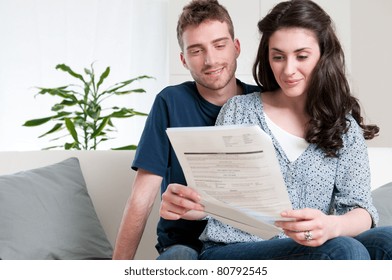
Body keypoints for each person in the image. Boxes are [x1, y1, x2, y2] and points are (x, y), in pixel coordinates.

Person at [160, 0, 392, 259]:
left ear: (323, 55)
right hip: (232, 250)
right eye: (278, 56)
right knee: (343, 249)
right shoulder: (240, 110)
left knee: (387, 240)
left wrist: (332, 226)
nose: (288, 69)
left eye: (302, 56)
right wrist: (192, 204)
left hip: (314, 245)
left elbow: (362, 209)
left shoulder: (343, 126)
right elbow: (216, 197)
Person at [112, 0, 260, 260]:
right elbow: (141, 198)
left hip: (245, 245)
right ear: (183, 60)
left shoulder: (263, 101)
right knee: (179, 257)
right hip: (184, 246)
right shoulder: (170, 102)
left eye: (219, 45)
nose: (210, 59)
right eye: (196, 50)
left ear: (236, 48)